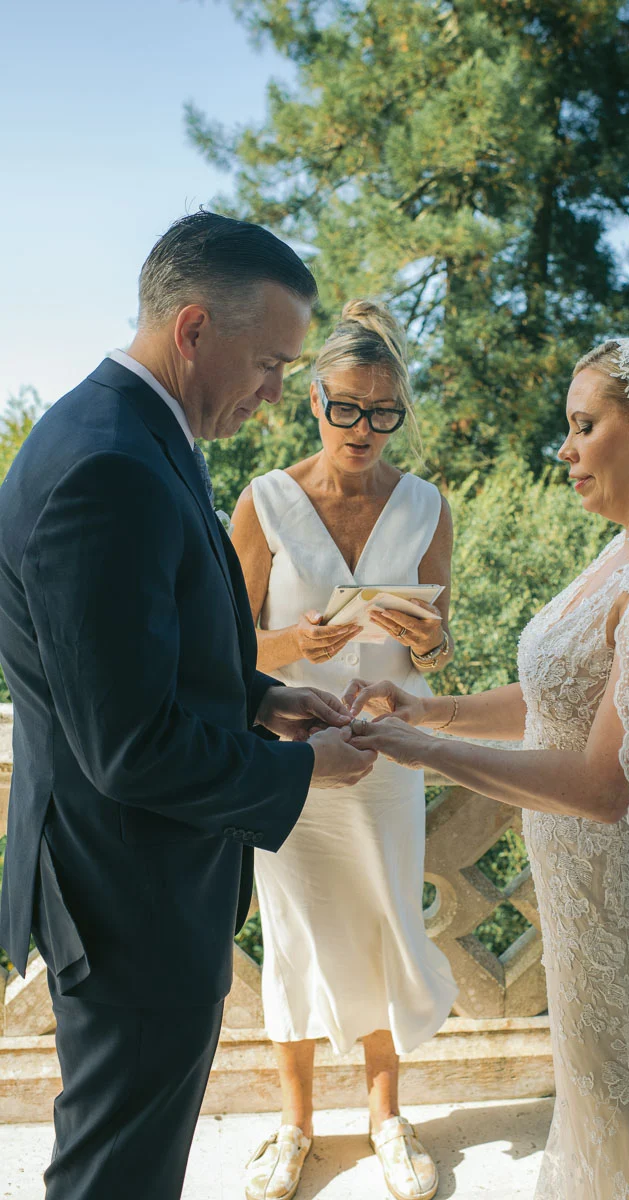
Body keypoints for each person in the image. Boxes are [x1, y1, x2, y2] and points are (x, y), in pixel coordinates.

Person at [346, 337, 629, 1198]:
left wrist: (424, 752)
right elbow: (566, 694)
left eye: (584, 426)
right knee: (608, 1097)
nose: (564, 450)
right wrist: (429, 710)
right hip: (584, 900)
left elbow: (605, 785)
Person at [0, 212, 377, 1200]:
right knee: (116, 1177)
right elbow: (128, 744)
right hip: (127, 896)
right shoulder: (107, 466)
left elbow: (134, 657)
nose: (277, 394)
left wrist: (263, 699)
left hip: (134, 882)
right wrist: (303, 768)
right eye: (270, 364)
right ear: (195, 329)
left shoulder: (131, 434)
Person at [231, 299, 458, 1200]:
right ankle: (294, 1124)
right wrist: (296, 644)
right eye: (347, 408)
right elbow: (223, 650)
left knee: (387, 922)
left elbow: (439, 649)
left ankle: (385, 1116)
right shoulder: (264, 502)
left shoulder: (428, 506)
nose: (364, 429)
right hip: (291, 757)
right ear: (314, 400)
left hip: (388, 757)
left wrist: (430, 643)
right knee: (291, 932)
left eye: (384, 412)